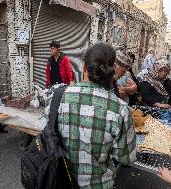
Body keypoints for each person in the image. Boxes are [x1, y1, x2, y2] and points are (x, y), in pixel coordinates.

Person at [57, 42, 136, 188]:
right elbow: (127, 158)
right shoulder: (120, 109)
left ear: (84, 67)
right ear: (112, 71)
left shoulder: (57, 97)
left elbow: (46, 134)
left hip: (61, 181)